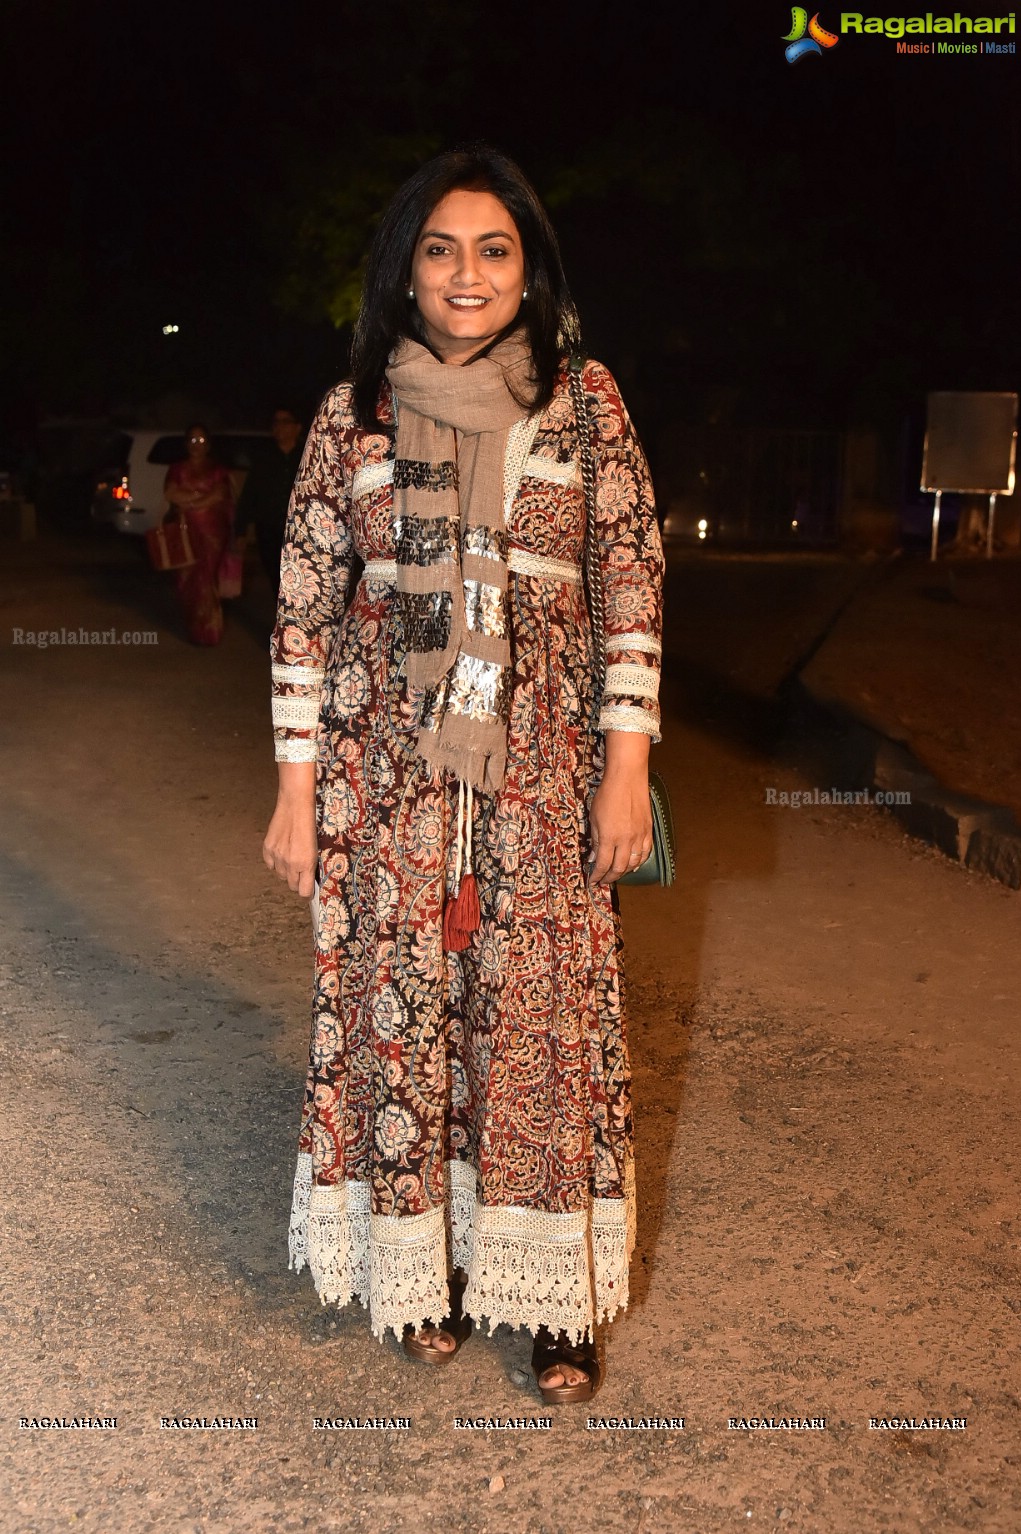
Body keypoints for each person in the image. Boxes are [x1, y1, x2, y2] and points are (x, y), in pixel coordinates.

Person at [262, 147, 664, 1403]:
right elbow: (304, 609)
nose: (468, 273)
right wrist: (292, 792)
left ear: (529, 270)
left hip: (545, 770)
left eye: (493, 250)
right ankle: (420, 1275)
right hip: (387, 775)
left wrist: (626, 769)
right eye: (440, 249)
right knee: (406, 1014)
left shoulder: (583, 403)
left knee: (540, 1022)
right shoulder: (353, 416)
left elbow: (631, 585)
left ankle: (555, 1305)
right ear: (406, 271)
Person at [163, 424, 234, 645]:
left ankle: (209, 631)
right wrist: (199, 500)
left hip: (212, 532)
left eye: (201, 441)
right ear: (186, 444)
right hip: (186, 531)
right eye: (193, 441)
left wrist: (191, 500)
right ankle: (194, 626)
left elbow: (219, 494)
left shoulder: (218, 470)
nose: (197, 445)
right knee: (187, 579)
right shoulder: (177, 468)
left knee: (206, 579)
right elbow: (171, 493)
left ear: (209, 444)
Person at [236, 408, 307, 591]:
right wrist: (240, 530)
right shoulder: (264, 458)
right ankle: (281, 616)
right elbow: (249, 493)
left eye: (285, 422)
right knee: (275, 575)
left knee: (300, 575)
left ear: (297, 427)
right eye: (276, 423)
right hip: (269, 527)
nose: (280, 427)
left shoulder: (307, 456)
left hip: (299, 528)